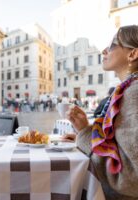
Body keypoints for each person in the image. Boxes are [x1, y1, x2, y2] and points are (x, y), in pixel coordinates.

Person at [64, 25, 138, 200]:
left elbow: (131, 177)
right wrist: (86, 132)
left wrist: (84, 134)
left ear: (133, 54)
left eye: (113, 45)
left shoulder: (134, 93)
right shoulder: (128, 89)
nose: (104, 50)